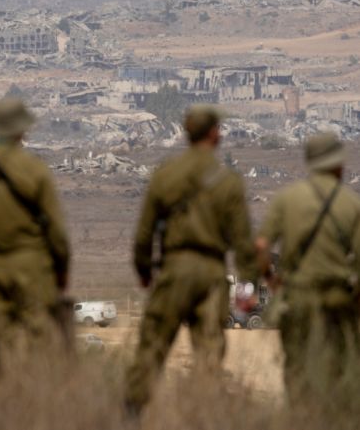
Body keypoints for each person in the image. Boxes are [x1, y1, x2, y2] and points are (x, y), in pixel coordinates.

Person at [124, 104, 260, 416]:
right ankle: (204, 415)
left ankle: (131, 414)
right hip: (212, 274)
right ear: (215, 134)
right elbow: (243, 243)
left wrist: (144, 271)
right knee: (210, 353)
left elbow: (144, 232)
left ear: (186, 133)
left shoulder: (165, 175)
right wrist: (248, 287)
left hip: (173, 269)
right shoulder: (228, 182)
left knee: (153, 346)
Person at [256, 132, 360, 410]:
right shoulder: (352, 204)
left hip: (298, 297)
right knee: (344, 370)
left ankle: (302, 419)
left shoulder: (286, 199)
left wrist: (272, 281)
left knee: (297, 370)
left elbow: (261, 246)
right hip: (338, 299)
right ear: (337, 164)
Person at [0, 97, 71, 345]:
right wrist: (61, 270)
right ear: (22, 129)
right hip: (30, 266)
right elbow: (56, 230)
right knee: (41, 339)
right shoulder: (34, 169)